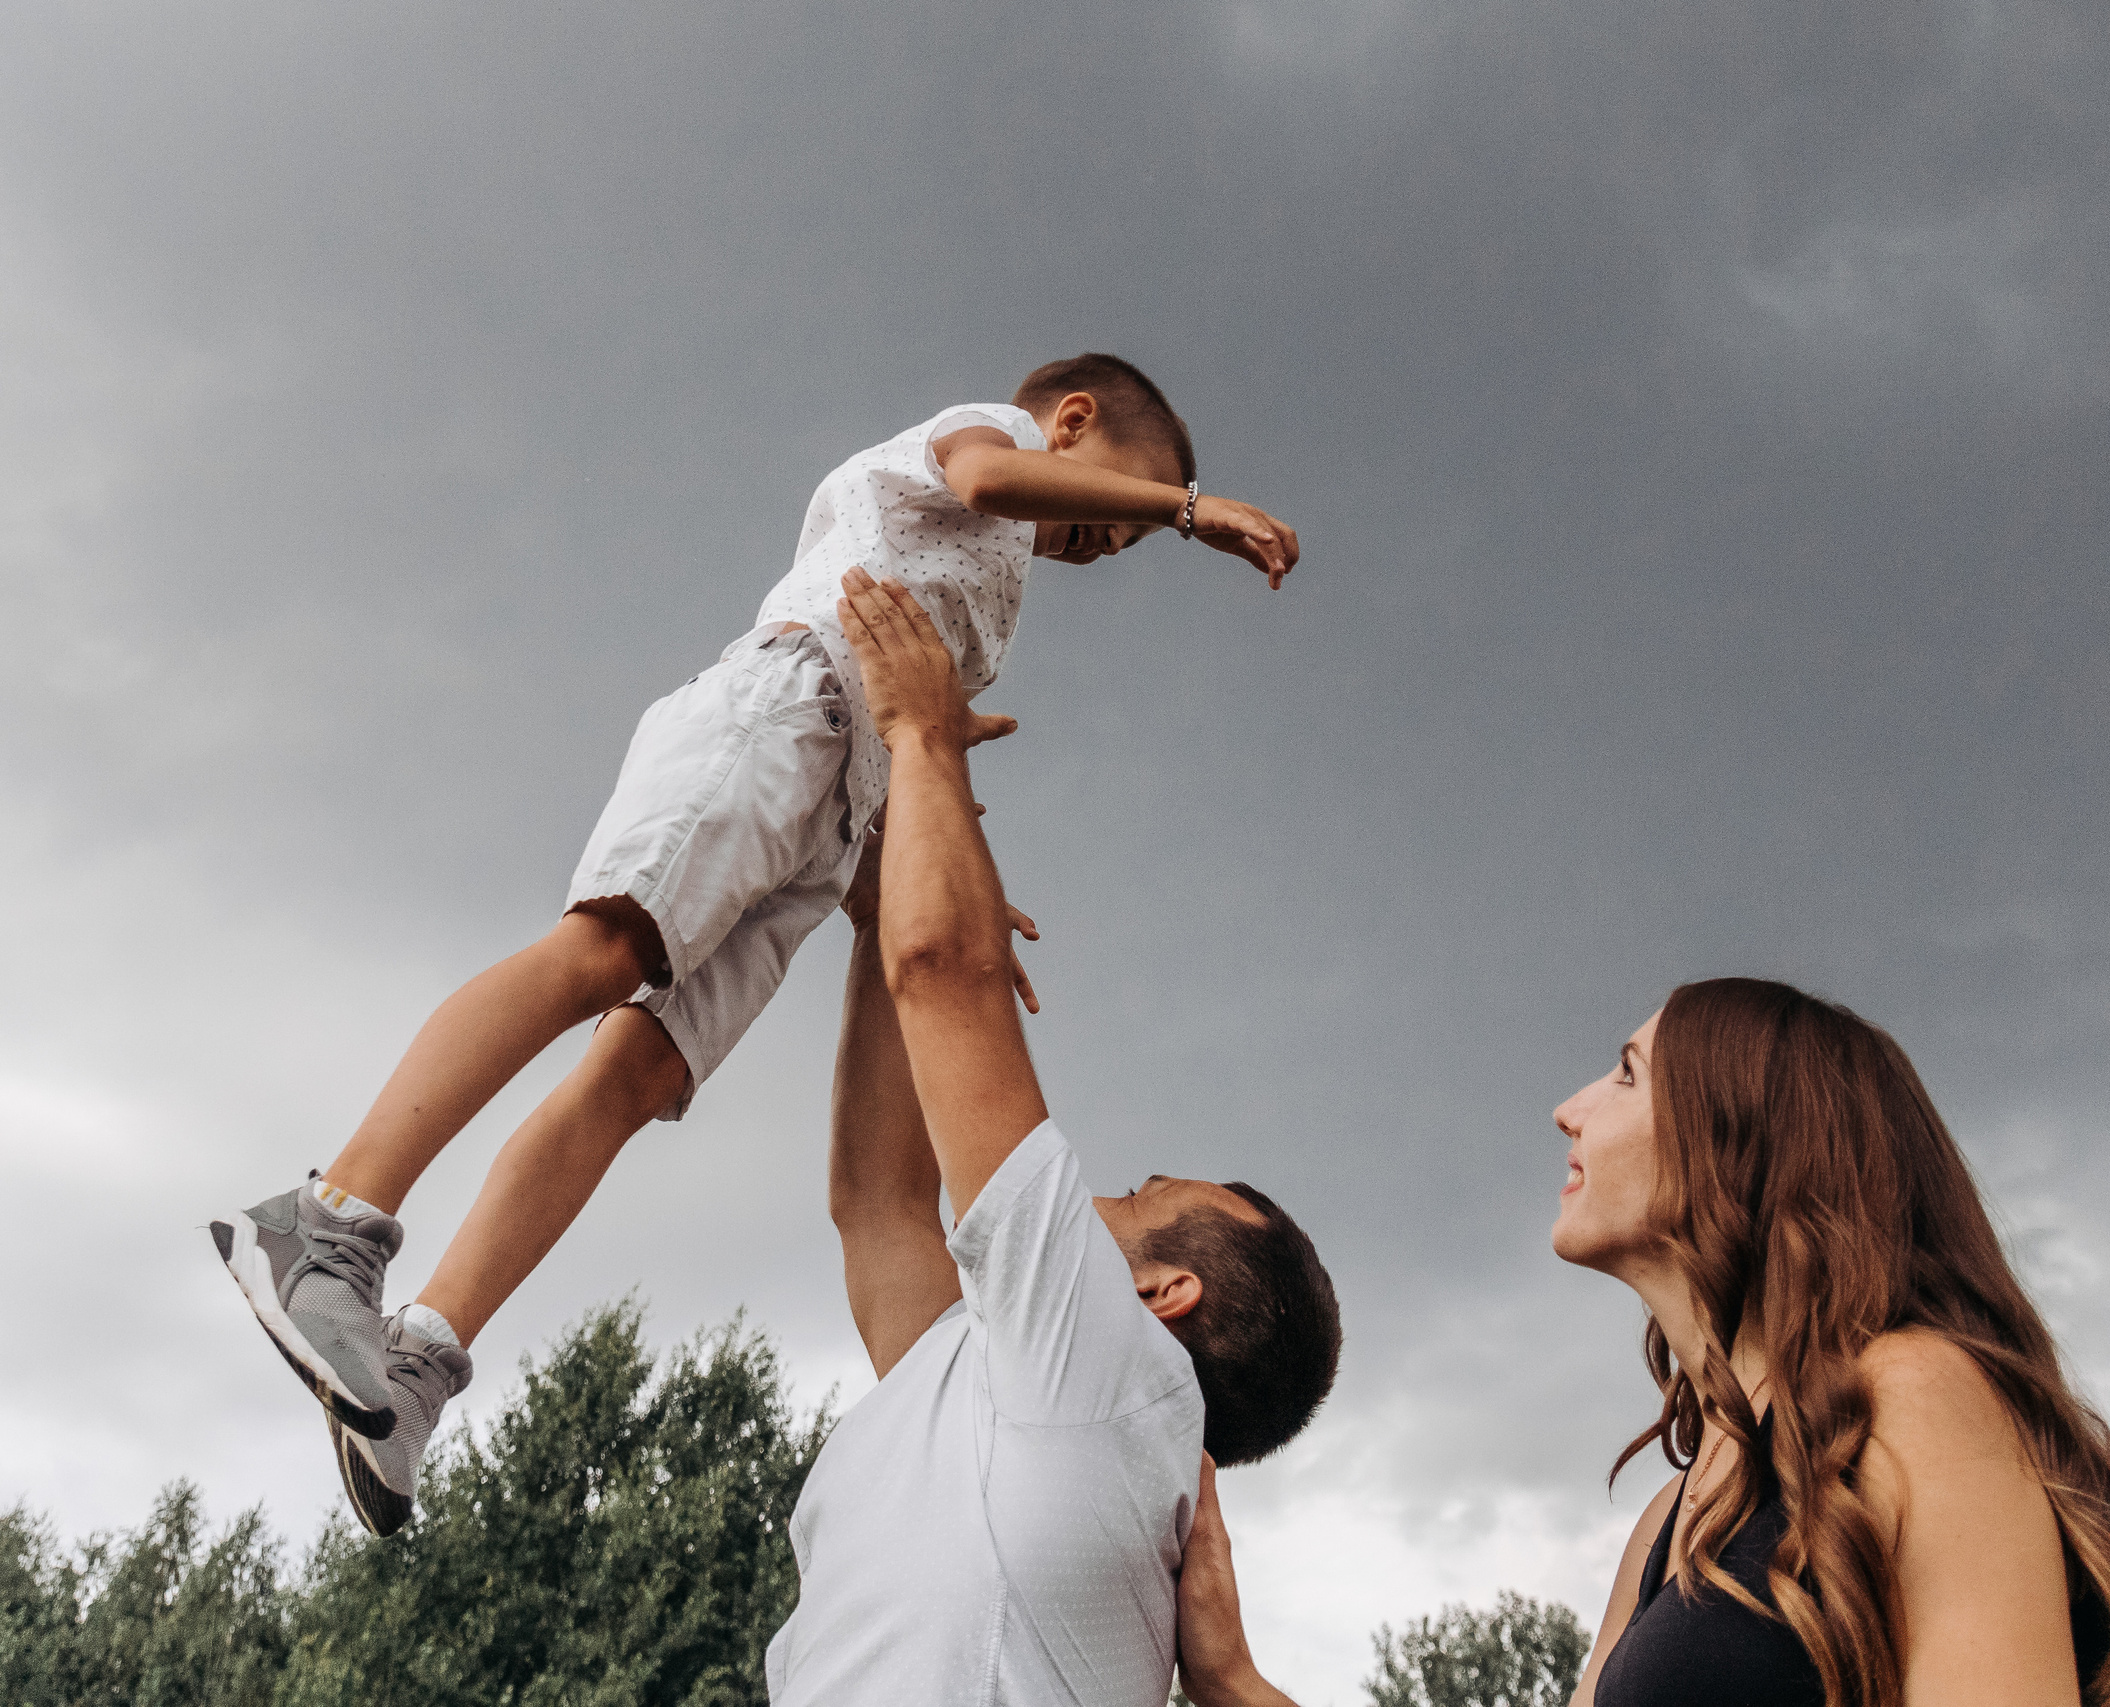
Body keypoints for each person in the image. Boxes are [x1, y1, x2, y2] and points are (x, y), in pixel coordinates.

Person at [210, 354, 1303, 1535]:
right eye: (1109, 507)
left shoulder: (994, 597)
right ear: (1072, 421)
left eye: (1125, 542)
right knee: (601, 953)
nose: (1106, 544)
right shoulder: (981, 440)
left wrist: (950, 876)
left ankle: (424, 1355)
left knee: (637, 1079)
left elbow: (904, 739)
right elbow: (990, 480)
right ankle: (328, 1219)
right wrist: (1190, 510)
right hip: (784, 710)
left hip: (831, 818)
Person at [1173, 978, 2110, 1707]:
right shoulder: (1673, 1519)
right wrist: (1233, 1682)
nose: (1568, 1109)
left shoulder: (1912, 1394)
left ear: (1745, 1138)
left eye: (1626, 1074)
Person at [761, 568, 1339, 1705]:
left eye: (1135, 1194)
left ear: (1167, 1292)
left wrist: (926, 742)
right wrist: (897, 894)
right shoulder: (1027, 1400)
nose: (1099, 1200)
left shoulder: (1114, 1376)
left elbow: (948, 981)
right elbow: (879, 1198)